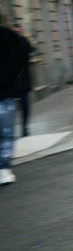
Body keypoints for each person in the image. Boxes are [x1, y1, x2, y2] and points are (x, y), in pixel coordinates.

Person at [0, 24, 30, 185]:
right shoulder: (6, 35)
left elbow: (22, 54)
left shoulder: (5, 35)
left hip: (5, 92)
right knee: (6, 133)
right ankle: (4, 167)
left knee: (6, 133)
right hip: (5, 91)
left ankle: (4, 167)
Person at [9, 24, 32, 136]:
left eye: (17, 31)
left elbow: (30, 50)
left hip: (22, 77)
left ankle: (24, 126)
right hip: (11, 79)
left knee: (24, 104)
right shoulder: (6, 44)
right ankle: (12, 127)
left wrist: (22, 37)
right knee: (10, 105)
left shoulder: (23, 42)